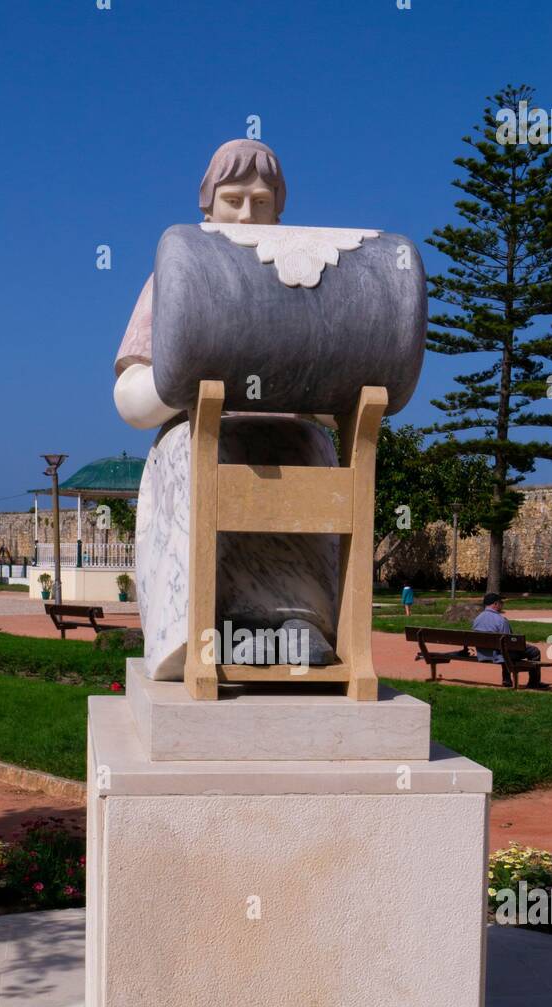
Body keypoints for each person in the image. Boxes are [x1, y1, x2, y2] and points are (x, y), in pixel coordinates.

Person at [113, 139, 341, 680]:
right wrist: (181, 380)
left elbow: (339, 388)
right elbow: (130, 392)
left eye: (261, 202)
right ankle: (193, 623)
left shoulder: (306, 283)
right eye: (234, 199)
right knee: (196, 451)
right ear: (207, 204)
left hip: (285, 437)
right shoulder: (177, 275)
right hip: (199, 432)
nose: (247, 214)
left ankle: (296, 618)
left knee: (312, 447)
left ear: (279, 210)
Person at [472, 593, 543, 688]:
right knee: (534, 651)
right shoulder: (501, 620)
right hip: (499, 655)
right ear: (495, 604)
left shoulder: (477, 619)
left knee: (503, 649)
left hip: (483, 653)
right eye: (501, 603)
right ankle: (534, 683)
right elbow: (509, 643)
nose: (502, 605)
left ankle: (507, 679)